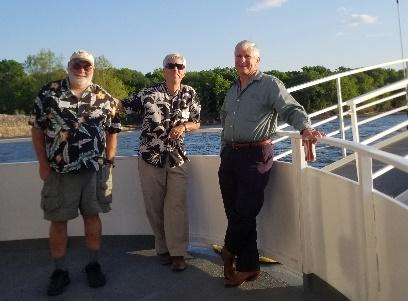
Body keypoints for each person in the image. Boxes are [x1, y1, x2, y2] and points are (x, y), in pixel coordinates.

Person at [218, 40, 324, 287]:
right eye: (238, 56)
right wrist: (224, 149)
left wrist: (305, 128)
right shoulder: (232, 88)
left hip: (256, 154)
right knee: (234, 211)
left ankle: (228, 251)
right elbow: (225, 121)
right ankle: (249, 267)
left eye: (246, 56)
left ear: (257, 60)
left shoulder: (269, 84)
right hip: (231, 155)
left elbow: (290, 109)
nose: (241, 61)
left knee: (245, 210)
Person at [29, 50, 121, 296]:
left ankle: (93, 265)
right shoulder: (48, 94)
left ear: (93, 69)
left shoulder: (105, 97)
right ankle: (60, 271)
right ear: (69, 66)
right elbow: (37, 130)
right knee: (58, 221)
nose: (82, 69)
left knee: (93, 217)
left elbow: (113, 131)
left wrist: (109, 163)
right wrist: (43, 164)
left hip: (94, 171)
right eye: (77, 64)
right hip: (59, 171)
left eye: (87, 66)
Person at [122, 53, 201, 271]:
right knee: (154, 207)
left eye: (180, 66)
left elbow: (196, 122)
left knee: (176, 206)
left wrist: (184, 126)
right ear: (163, 69)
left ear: (184, 70)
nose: (175, 69)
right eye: (171, 65)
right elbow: (123, 106)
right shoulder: (148, 93)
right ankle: (162, 247)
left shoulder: (190, 93)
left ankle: (178, 253)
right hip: (150, 157)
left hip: (177, 158)